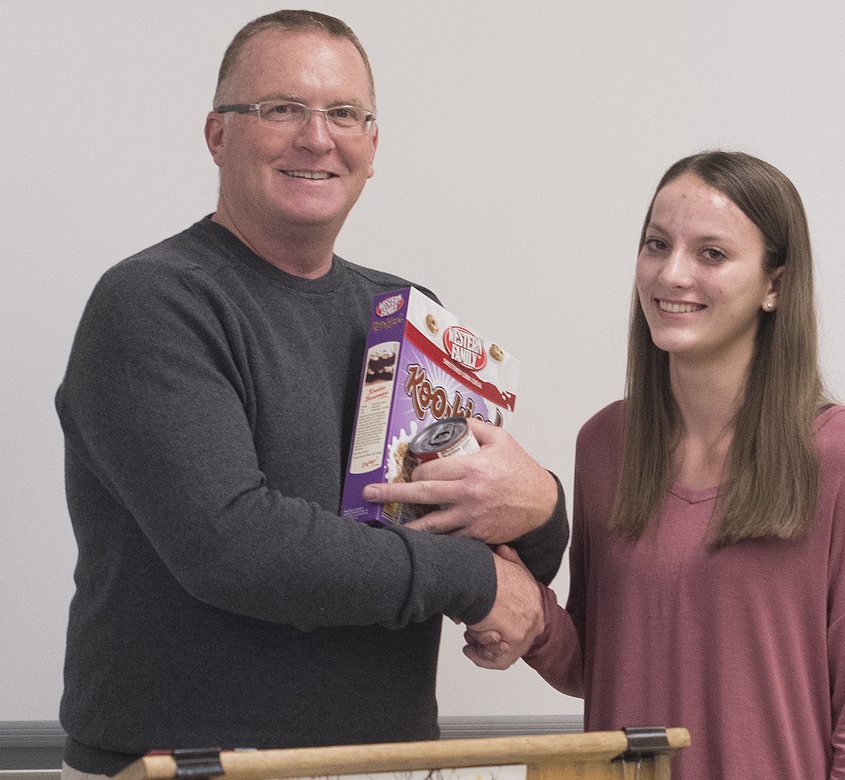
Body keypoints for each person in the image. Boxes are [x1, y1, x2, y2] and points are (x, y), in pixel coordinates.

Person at [55, 10, 566, 779]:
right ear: (216, 134)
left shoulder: (408, 314)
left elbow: (484, 535)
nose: (317, 137)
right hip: (187, 766)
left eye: (343, 114)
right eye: (281, 108)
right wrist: (473, 581)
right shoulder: (155, 303)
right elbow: (236, 547)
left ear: (372, 146)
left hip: (387, 761)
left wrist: (541, 506)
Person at [461, 151, 845, 778]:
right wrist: (526, 615)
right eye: (657, 244)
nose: (672, 274)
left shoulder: (838, 457)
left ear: (775, 285)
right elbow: (601, 668)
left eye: (712, 254)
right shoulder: (604, 446)